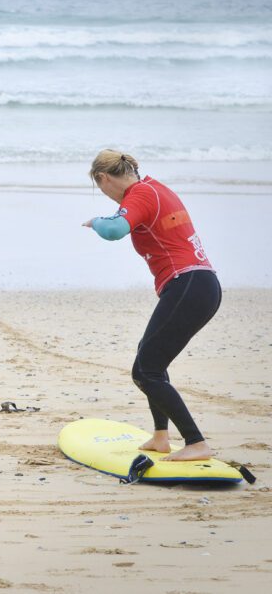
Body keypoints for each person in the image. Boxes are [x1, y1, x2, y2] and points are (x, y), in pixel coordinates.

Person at [83, 150, 220, 461]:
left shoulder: (140, 193)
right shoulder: (155, 187)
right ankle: (160, 436)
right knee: (146, 365)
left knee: (148, 369)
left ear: (104, 179)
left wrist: (94, 221)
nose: (107, 197)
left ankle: (196, 442)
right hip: (198, 285)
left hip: (188, 284)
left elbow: (115, 230)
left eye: (102, 189)